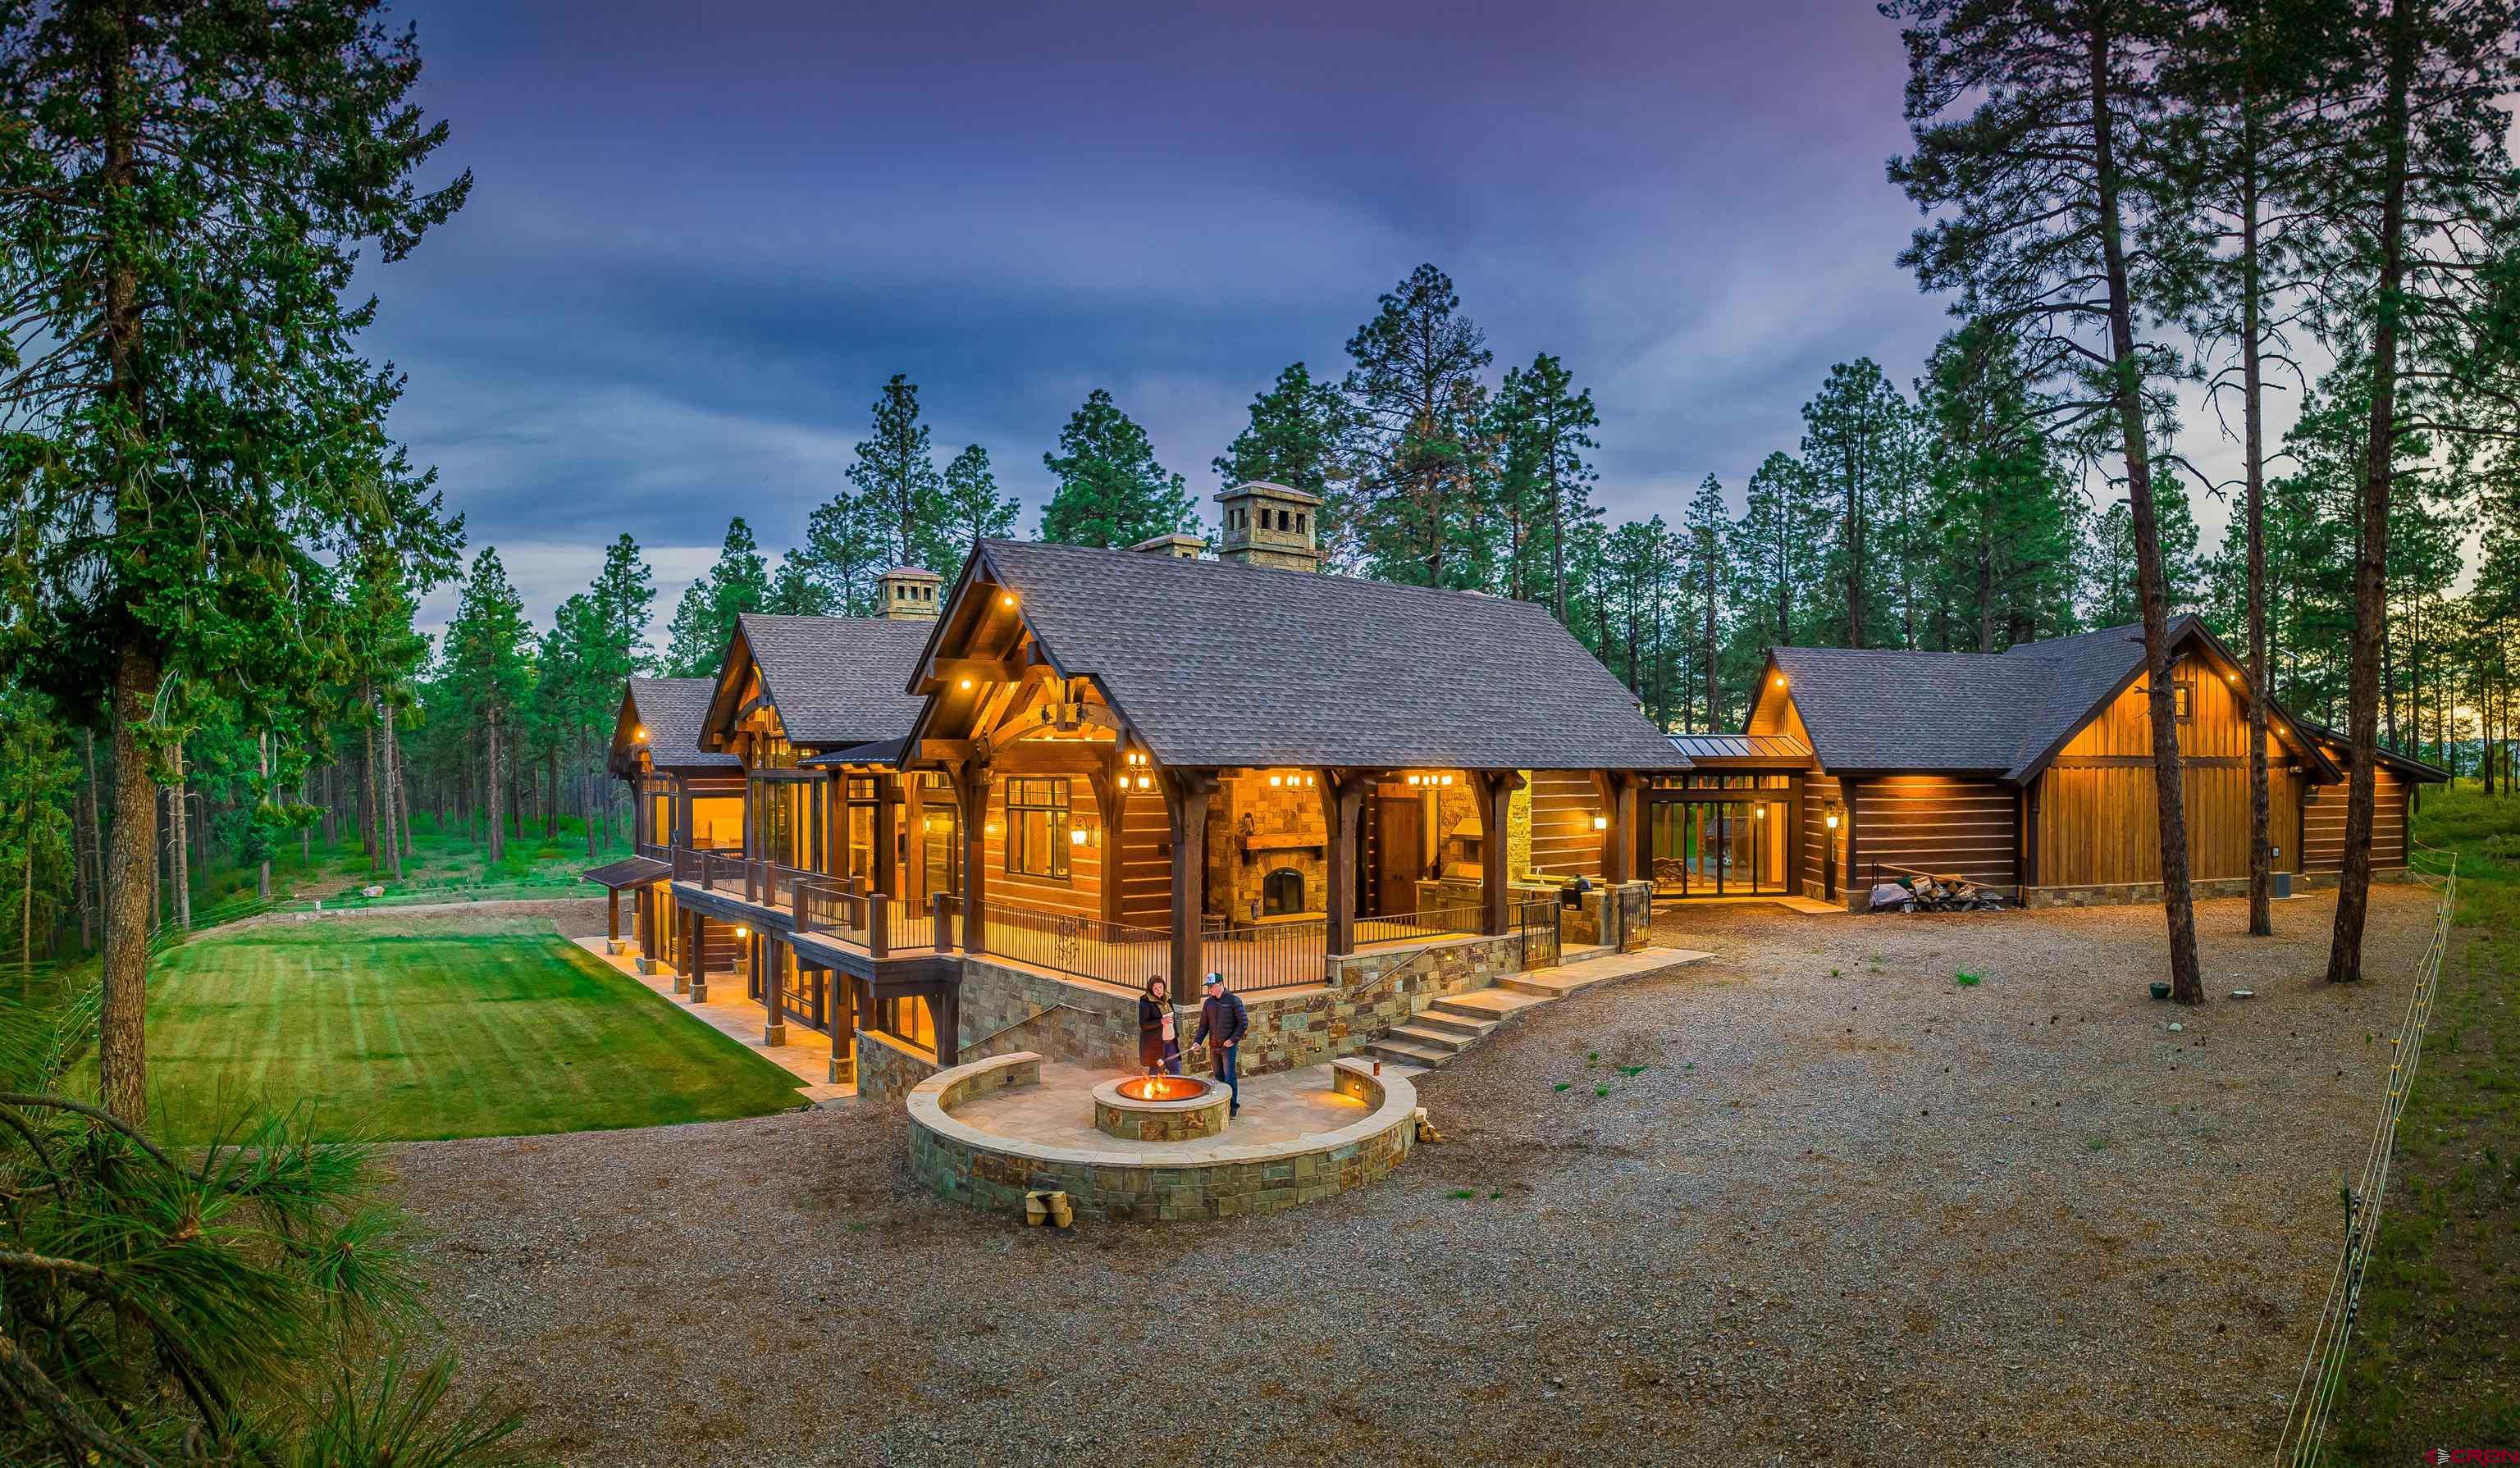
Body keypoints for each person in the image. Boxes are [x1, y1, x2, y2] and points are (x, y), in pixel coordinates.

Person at [1196, 970, 1249, 1115]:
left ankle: (1233, 1107)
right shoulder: (1209, 1003)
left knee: (1229, 1076)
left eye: (1212, 986)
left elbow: (1243, 1023)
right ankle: (1221, 1107)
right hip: (1214, 1047)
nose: (1209, 989)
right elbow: (1203, 1026)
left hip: (1228, 1047)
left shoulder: (1233, 1001)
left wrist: (1232, 1040)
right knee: (1218, 1077)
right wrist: (1197, 1042)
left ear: (1220, 984)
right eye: (1208, 987)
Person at [1138, 976, 1177, 1075]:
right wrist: (1161, 1021)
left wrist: (1176, 1035)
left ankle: (1174, 1090)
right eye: (1156, 988)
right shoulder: (1146, 1003)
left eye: (1161, 987)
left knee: (1176, 1070)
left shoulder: (1168, 1000)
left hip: (1171, 1042)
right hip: (1156, 1044)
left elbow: (1173, 1019)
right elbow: (1144, 1025)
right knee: (1156, 1071)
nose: (1159, 990)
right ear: (1151, 989)